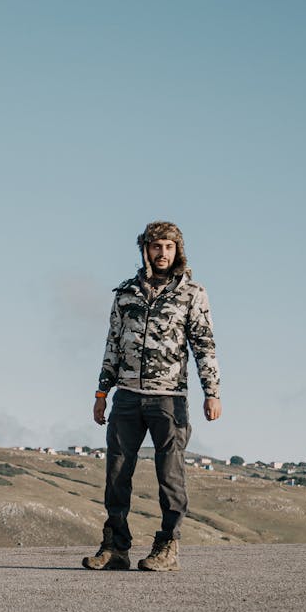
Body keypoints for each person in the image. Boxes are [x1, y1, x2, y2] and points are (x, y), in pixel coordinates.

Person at [83, 221, 220, 572]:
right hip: (126, 397)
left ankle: (167, 546)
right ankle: (115, 547)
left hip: (169, 399)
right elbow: (112, 345)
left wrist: (212, 392)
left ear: (178, 251)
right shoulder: (126, 293)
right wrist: (102, 392)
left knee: (169, 475)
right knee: (116, 473)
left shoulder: (192, 293)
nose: (162, 253)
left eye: (168, 247)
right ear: (145, 249)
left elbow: (204, 345)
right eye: (155, 246)